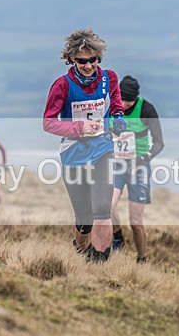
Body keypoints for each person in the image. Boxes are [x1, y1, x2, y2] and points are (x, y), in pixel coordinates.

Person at [43, 29, 127, 263]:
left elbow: (116, 105)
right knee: (84, 219)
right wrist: (79, 128)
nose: (88, 65)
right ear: (72, 60)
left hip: (102, 148)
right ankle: (80, 256)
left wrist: (118, 119)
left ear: (99, 58)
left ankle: (100, 264)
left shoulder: (109, 78)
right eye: (82, 61)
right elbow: (48, 123)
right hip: (74, 153)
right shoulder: (62, 85)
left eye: (92, 60)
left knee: (103, 209)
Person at [110, 75, 165, 263]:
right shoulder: (111, 107)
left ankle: (142, 258)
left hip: (139, 167)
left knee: (135, 222)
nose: (124, 104)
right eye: (121, 99)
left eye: (129, 100)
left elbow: (159, 144)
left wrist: (141, 160)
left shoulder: (147, 109)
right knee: (108, 207)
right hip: (116, 165)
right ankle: (117, 238)